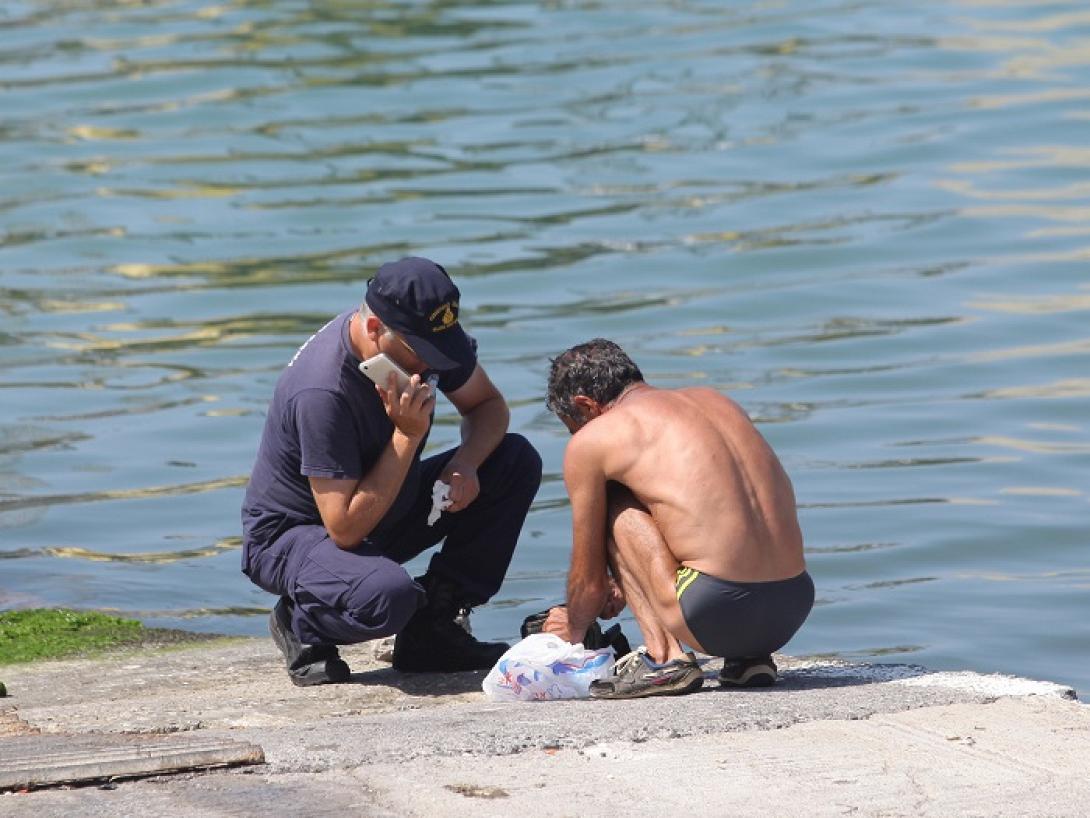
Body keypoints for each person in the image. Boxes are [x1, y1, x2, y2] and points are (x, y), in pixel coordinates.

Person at [241, 257, 542, 686]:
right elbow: (343, 527)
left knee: (514, 461)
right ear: (374, 329)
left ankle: (434, 626)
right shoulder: (322, 392)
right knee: (390, 597)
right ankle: (301, 621)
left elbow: (488, 408)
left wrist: (465, 465)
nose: (427, 367)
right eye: (419, 353)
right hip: (295, 535)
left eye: (438, 352)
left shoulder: (426, 343)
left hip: (382, 501)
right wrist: (405, 436)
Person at [541, 339, 812, 699]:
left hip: (716, 611)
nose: (577, 435)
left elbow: (588, 586)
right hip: (790, 608)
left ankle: (666, 658)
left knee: (614, 501)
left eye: (572, 425)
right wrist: (627, 579)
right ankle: (749, 660)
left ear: (584, 405)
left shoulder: (597, 438)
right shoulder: (717, 401)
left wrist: (570, 628)